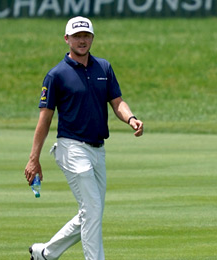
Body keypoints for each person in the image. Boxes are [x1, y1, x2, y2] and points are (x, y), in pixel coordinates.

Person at [24, 17, 143, 260]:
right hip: (71, 148)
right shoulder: (56, 75)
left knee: (91, 212)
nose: (82, 40)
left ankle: (45, 253)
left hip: (98, 150)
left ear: (92, 38)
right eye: (76, 36)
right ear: (66, 39)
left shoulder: (103, 67)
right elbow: (44, 119)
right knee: (92, 209)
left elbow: (117, 102)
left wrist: (131, 118)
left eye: (86, 35)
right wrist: (33, 159)